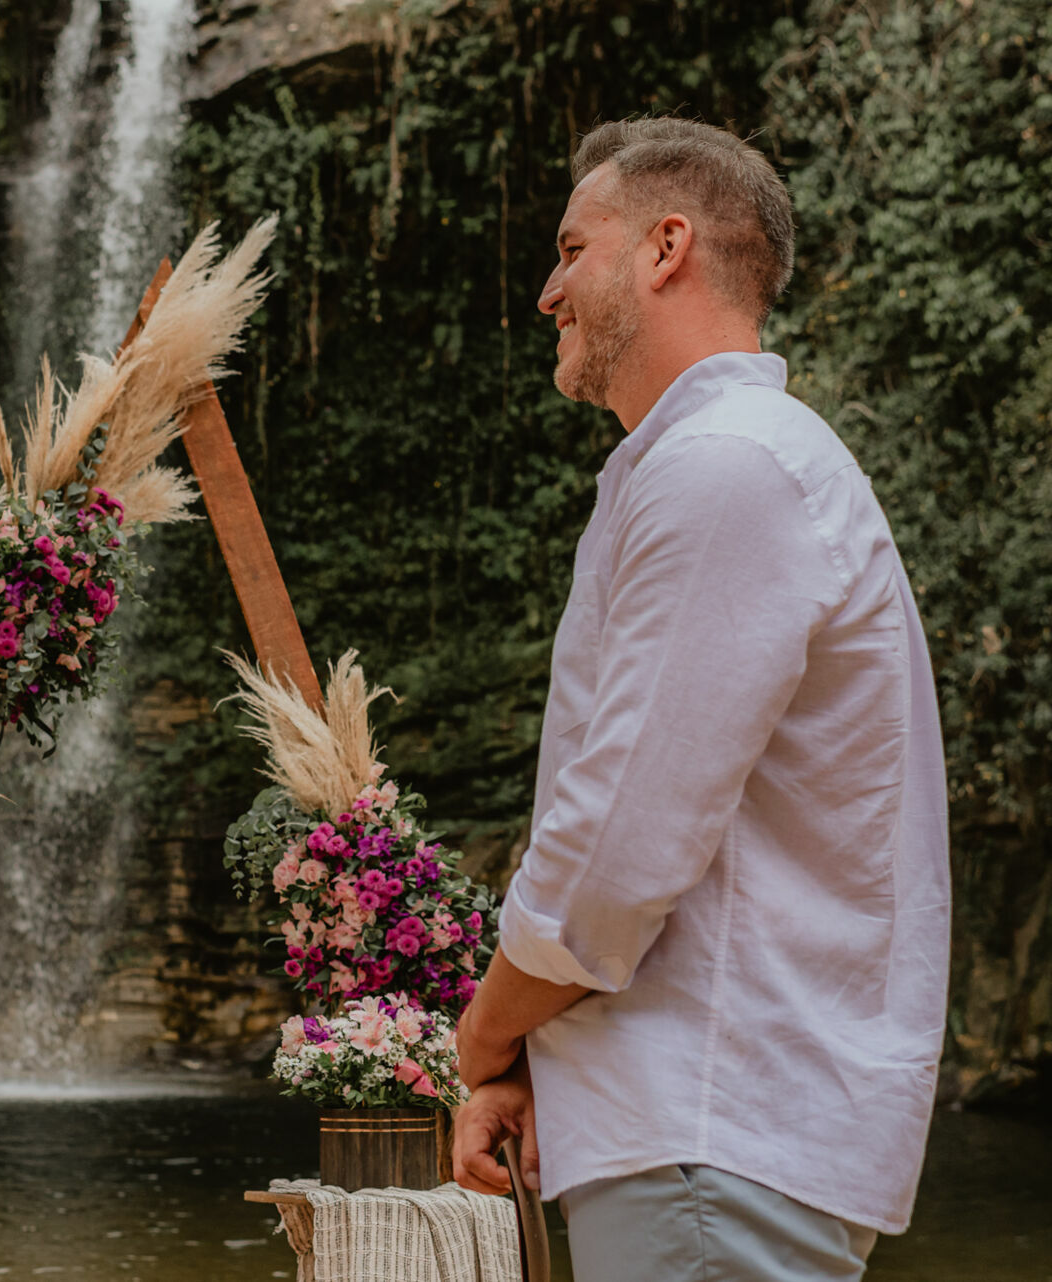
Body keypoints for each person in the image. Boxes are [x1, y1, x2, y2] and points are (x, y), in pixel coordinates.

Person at [449, 117, 949, 1281]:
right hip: (699, 1129)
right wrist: (553, 1067)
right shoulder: (725, 461)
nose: (547, 293)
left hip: (713, 1129)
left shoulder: (728, 464)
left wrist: (485, 1034)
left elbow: (618, 847)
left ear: (665, 247)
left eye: (573, 249)